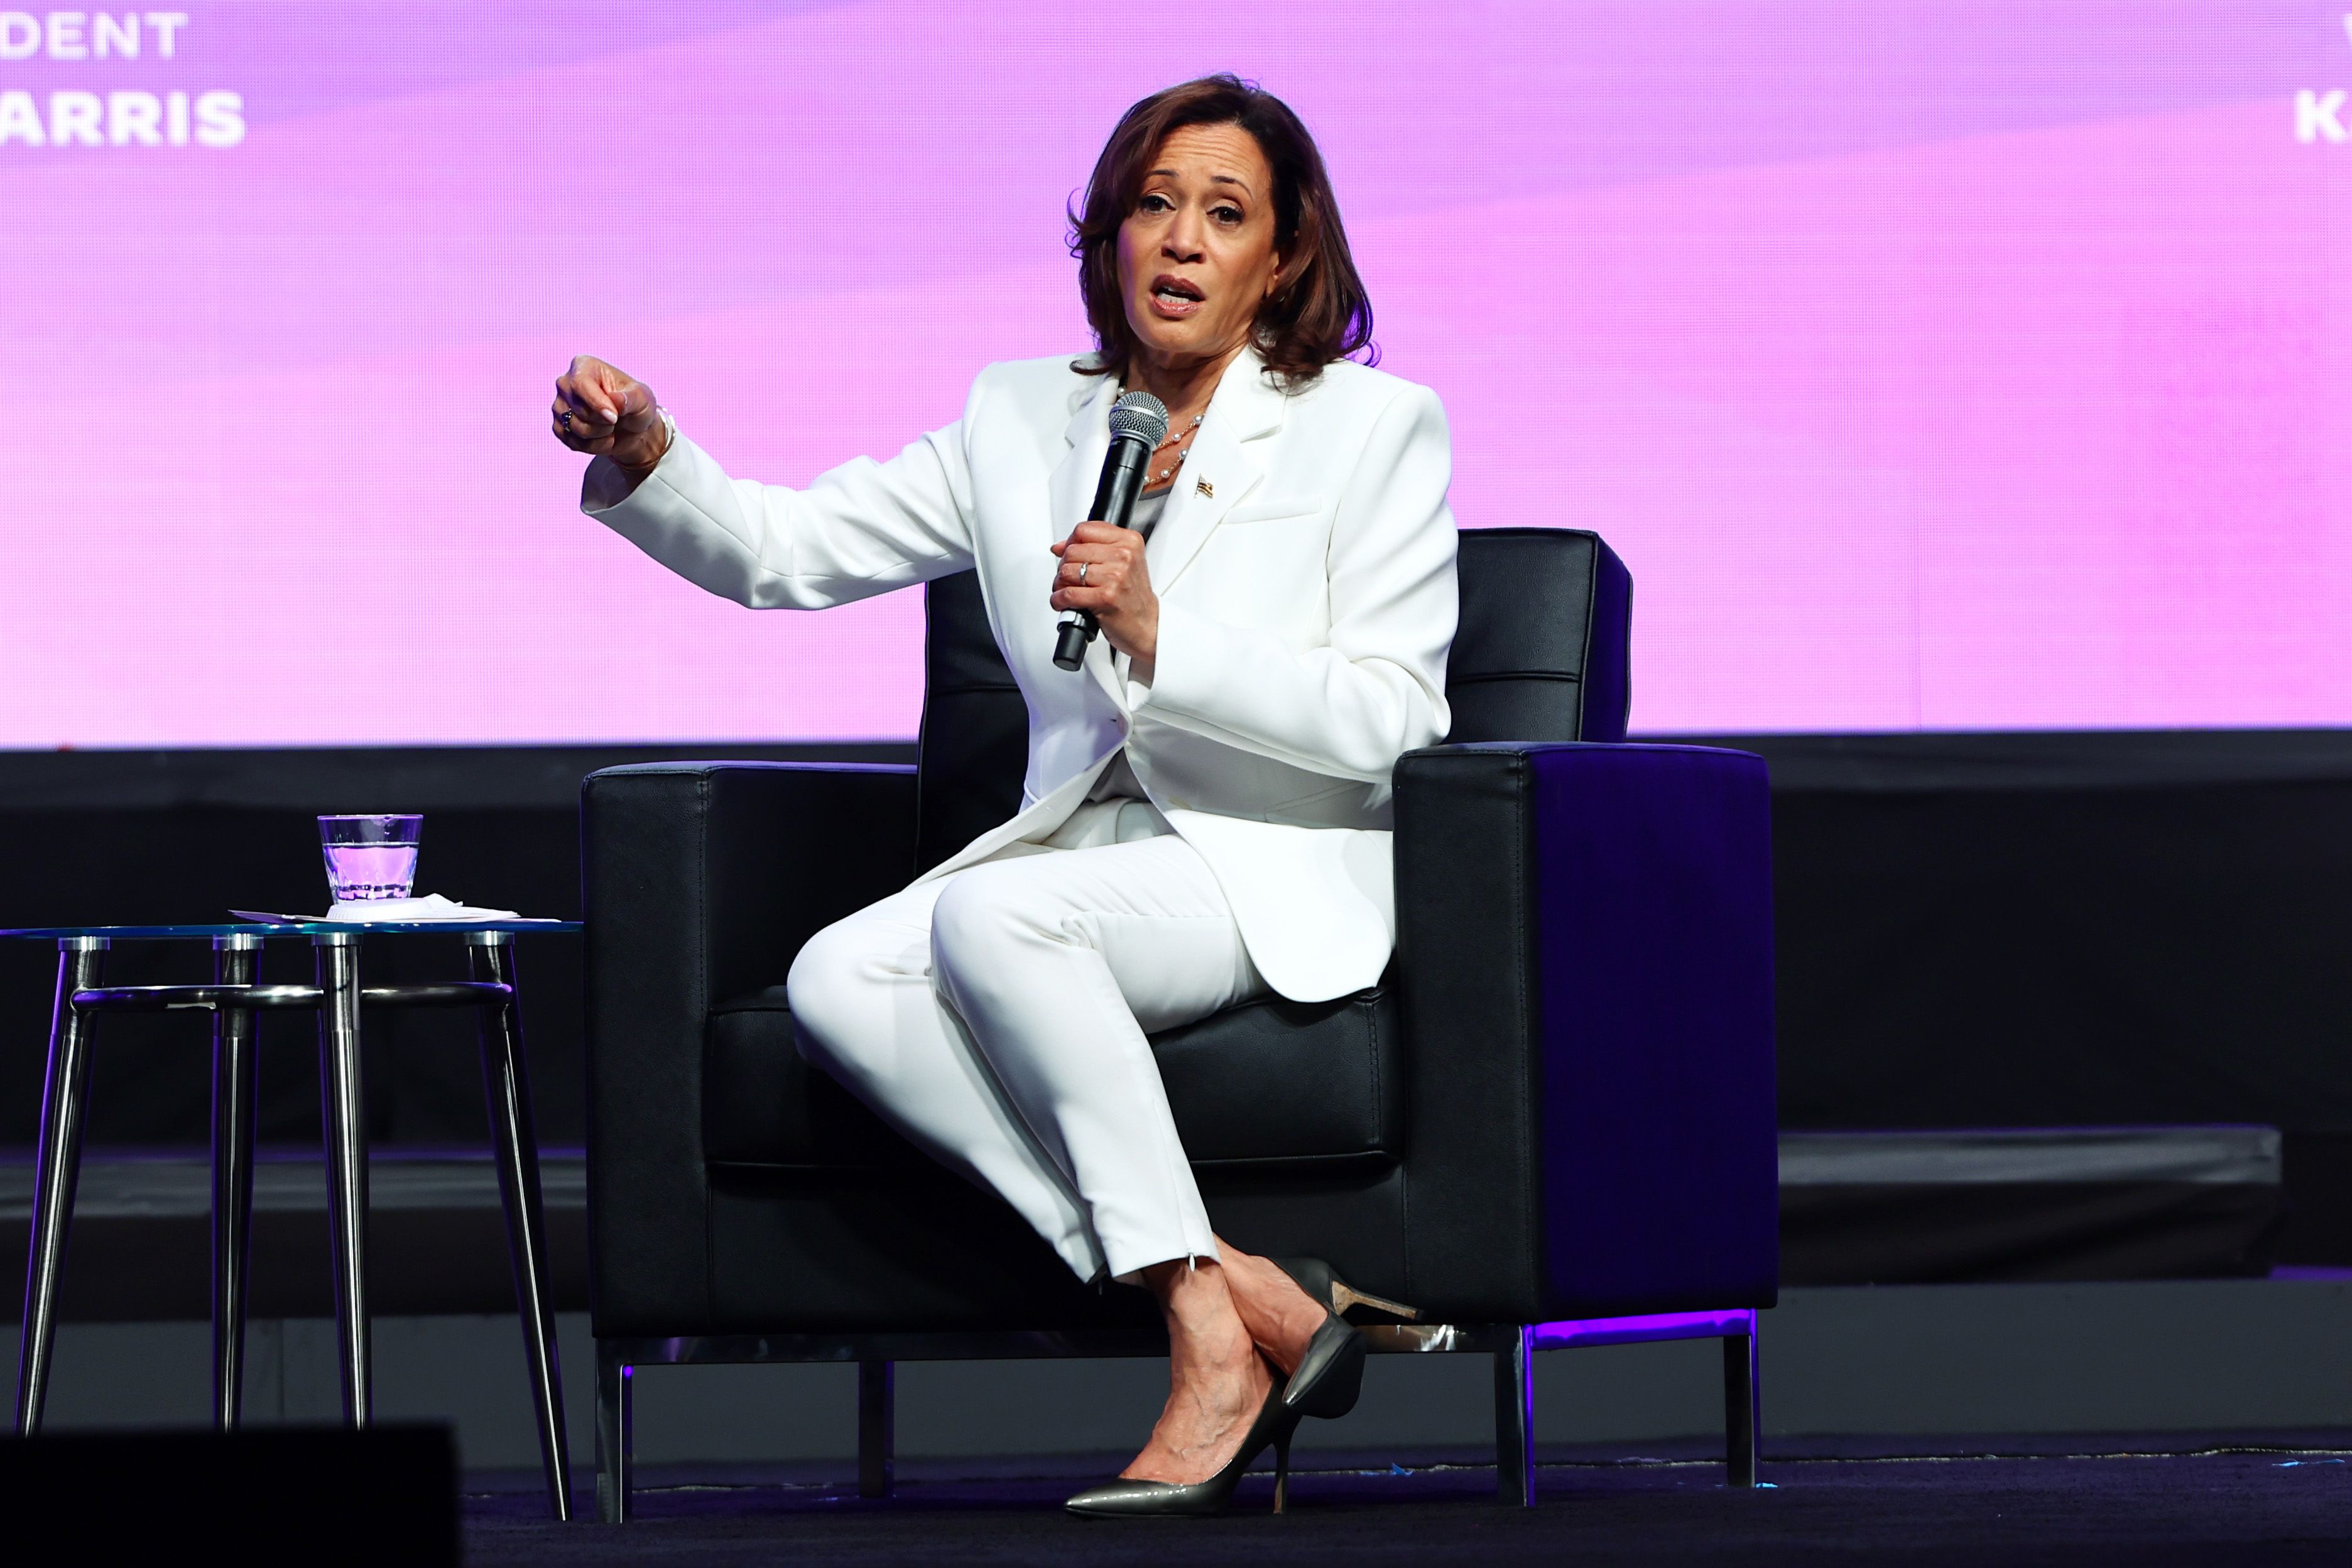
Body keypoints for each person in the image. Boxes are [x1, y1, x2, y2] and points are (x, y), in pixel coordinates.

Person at [552, 74, 1457, 1518]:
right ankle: (1218, 1293)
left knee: (996, 922)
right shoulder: (1022, 417)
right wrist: (648, 456)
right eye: (1152, 206)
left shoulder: (1369, 427)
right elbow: (788, 550)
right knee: (838, 973)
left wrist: (1170, 638)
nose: (1177, 242)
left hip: (1261, 864)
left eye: (1222, 215)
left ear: (1280, 258)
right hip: (1077, 856)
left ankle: (1209, 1336)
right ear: (1107, 237)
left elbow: (1395, 718)